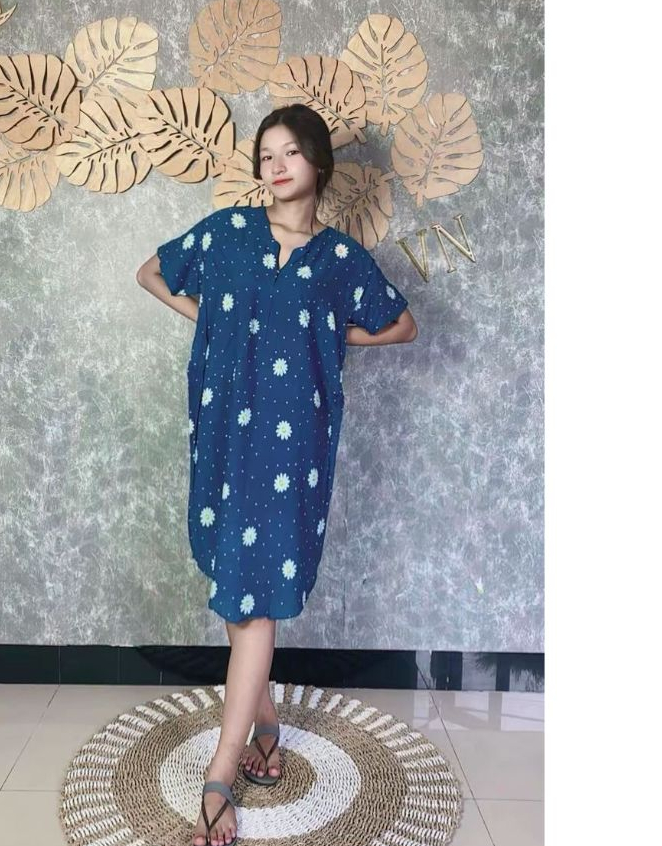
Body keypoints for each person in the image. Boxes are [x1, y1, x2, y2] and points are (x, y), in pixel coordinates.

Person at [137, 104, 418, 846]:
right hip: (226, 431)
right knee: (238, 589)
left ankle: (219, 775)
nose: (276, 165)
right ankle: (265, 729)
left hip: (293, 448)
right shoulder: (228, 233)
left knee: (253, 596)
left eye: (290, 152)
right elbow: (152, 272)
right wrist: (213, 322)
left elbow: (401, 322)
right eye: (266, 155)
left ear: (318, 161)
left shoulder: (339, 259)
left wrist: (328, 334)